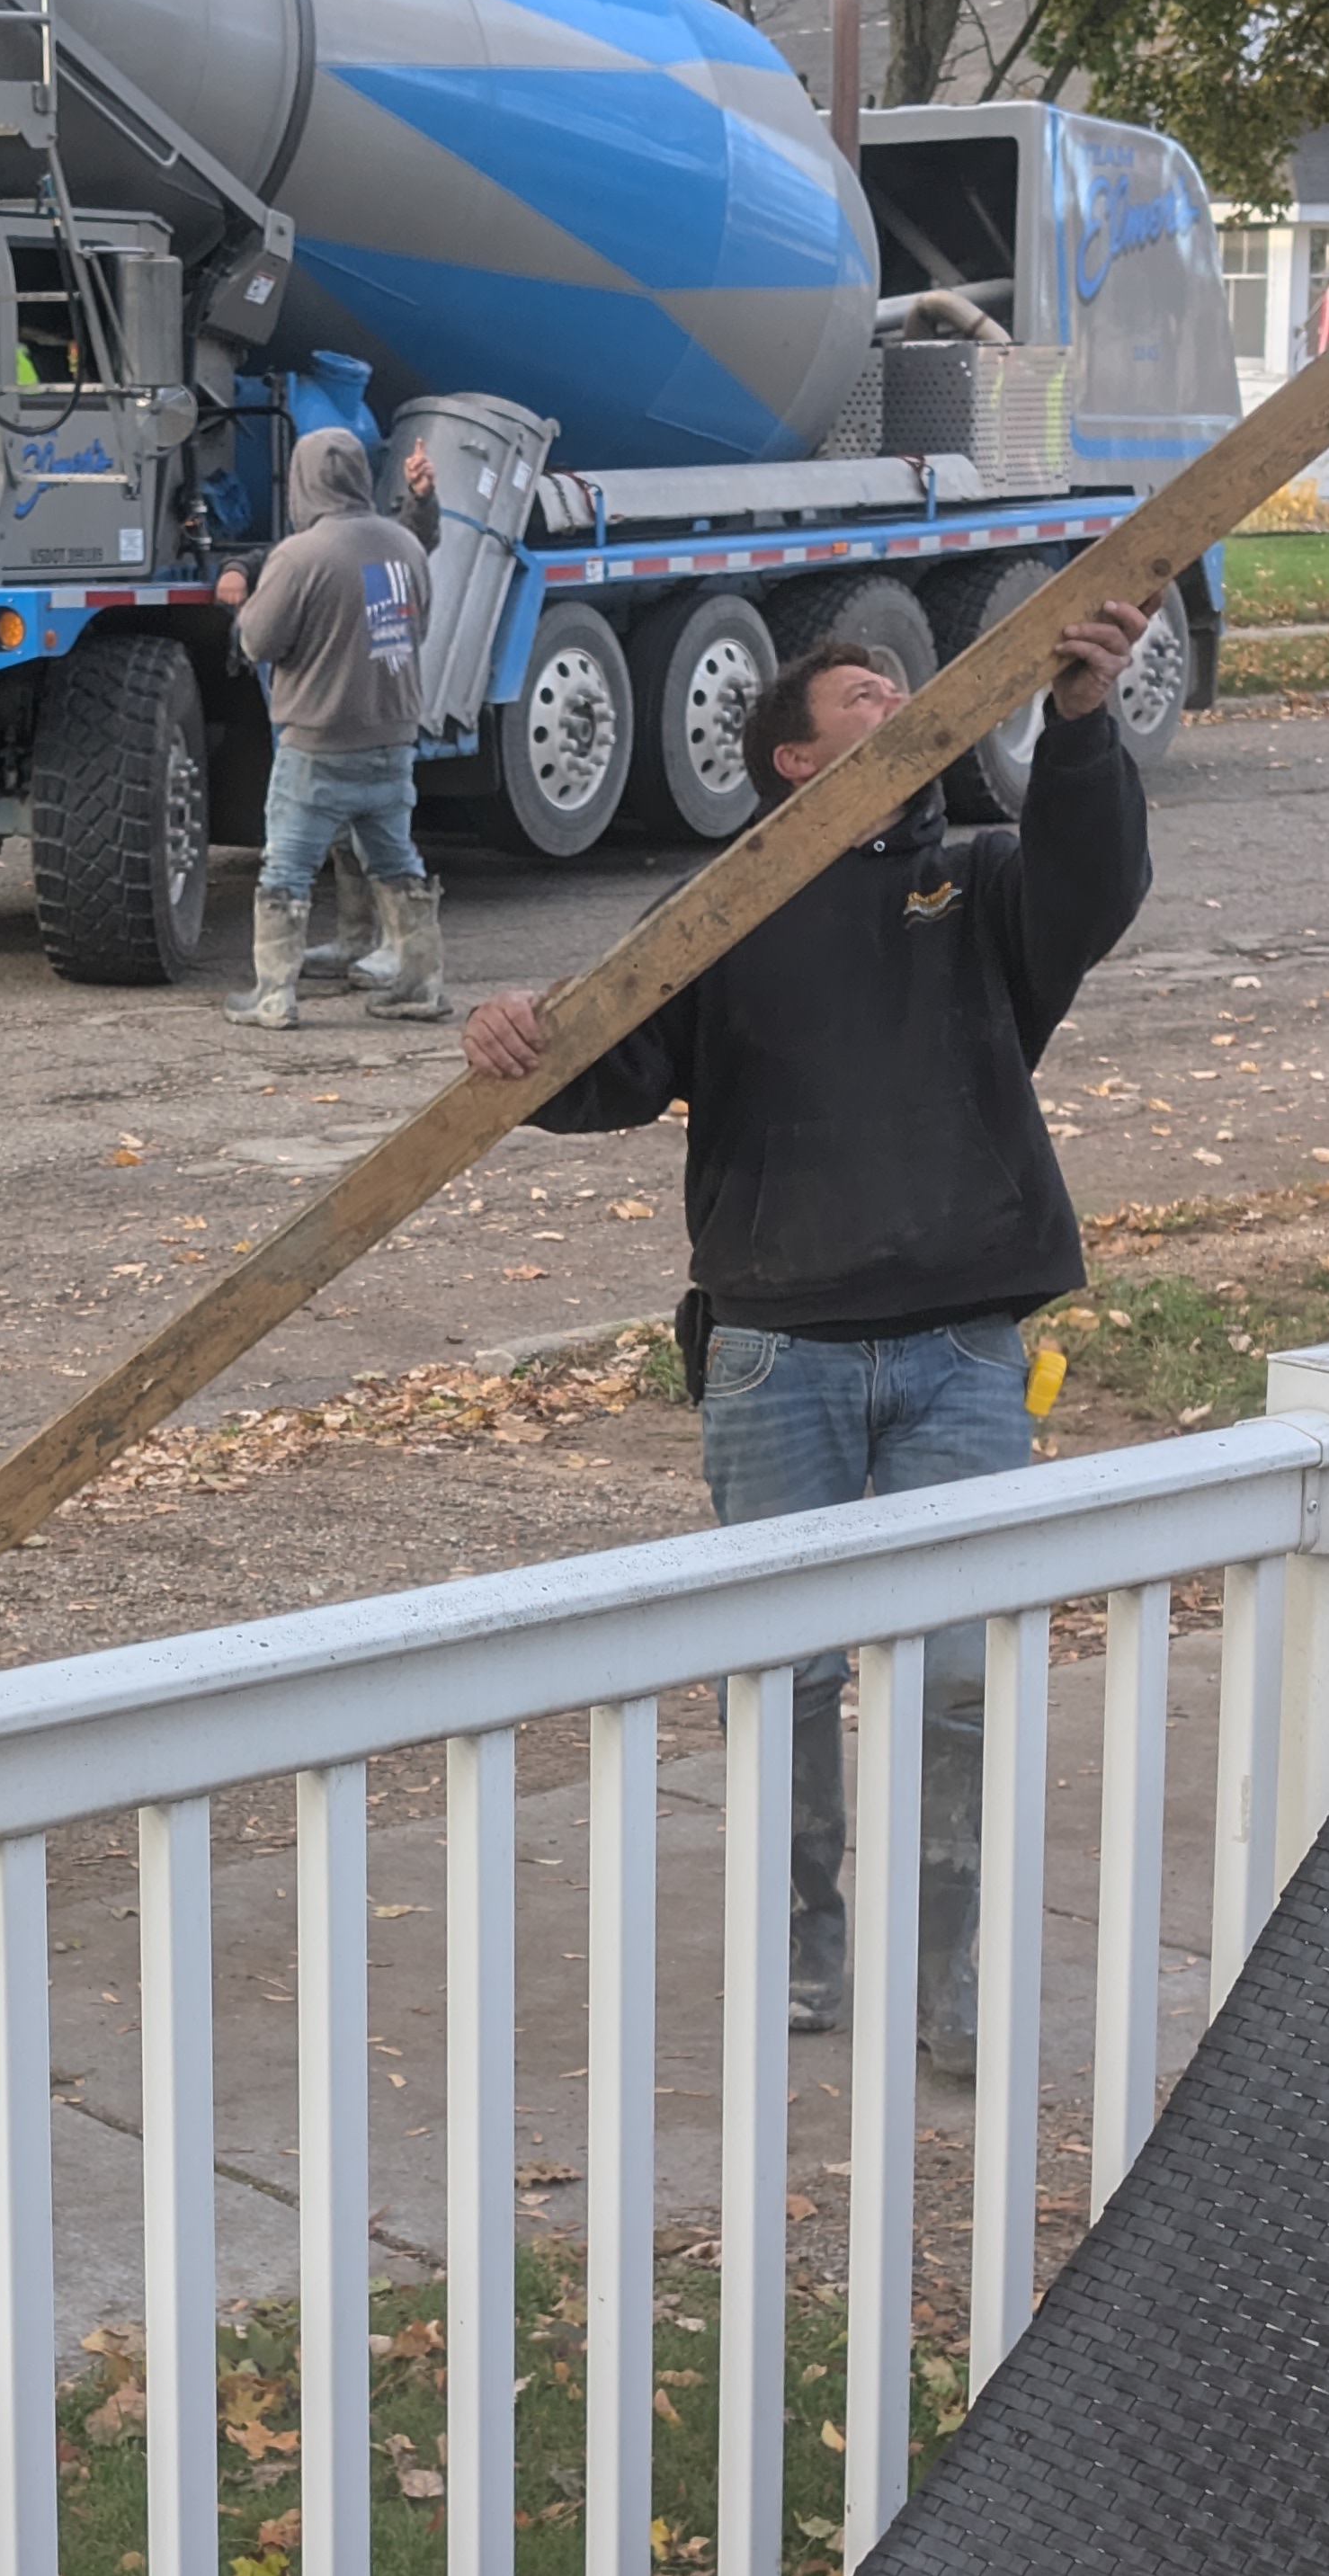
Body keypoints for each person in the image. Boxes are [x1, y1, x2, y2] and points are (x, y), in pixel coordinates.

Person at [462, 591, 1153, 2055]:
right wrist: (516, 1042)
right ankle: (807, 1955)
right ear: (786, 756)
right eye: (855, 694)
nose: (891, 702)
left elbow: (1091, 890)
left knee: (952, 1683)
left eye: (903, 689)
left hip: (962, 1356)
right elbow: (607, 1072)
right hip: (775, 1360)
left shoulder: (978, 887)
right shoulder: (711, 916)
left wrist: (1081, 724)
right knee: (784, 1685)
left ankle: (940, 1979)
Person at [214, 424, 443, 1028]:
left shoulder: (299, 556)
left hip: (318, 745)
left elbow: (261, 640)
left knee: (286, 870)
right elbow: (417, 627)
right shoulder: (405, 546)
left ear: (302, 482)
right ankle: (419, 986)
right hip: (393, 739)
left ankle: (273, 996)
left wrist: (242, 605)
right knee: (398, 864)